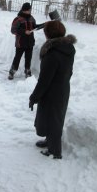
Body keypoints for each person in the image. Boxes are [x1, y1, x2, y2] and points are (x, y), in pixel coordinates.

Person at [29, 20, 76, 159]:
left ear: (48, 34)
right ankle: (49, 141)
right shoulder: (68, 48)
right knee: (55, 118)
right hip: (62, 88)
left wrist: (34, 97)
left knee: (53, 120)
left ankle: (55, 151)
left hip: (52, 92)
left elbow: (44, 80)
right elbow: (69, 71)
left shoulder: (52, 53)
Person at [8, 2, 37, 80]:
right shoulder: (18, 19)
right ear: (25, 10)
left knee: (28, 58)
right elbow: (13, 30)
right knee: (17, 58)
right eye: (29, 9)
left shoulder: (32, 18)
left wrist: (44, 25)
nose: (30, 10)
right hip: (20, 43)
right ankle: (12, 72)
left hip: (30, 42)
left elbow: (35, 26)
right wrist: (24, 32)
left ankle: (27, 71)